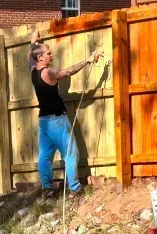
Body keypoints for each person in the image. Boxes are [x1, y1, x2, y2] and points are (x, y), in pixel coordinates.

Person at [27, 30, 102, 200]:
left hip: (44, 121)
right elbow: (67, 72)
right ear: (40, 58)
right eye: (47, 53)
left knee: (45, 157)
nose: (51, 55)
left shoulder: (33, 71)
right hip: (57, 121)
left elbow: (29, 57)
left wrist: (33, 42)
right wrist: (88, 60)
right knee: (70, 153)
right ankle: (74, 188)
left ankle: (47, 190)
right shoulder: (47, 72)